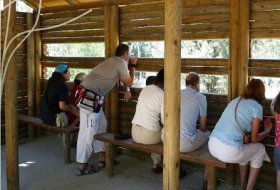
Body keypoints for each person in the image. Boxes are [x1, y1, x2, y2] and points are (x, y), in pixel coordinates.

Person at [75, 44, 138, 176]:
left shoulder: (114, 61)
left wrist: (127, 90)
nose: (131, 56)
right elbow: (129, 81)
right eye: (130, 54)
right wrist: (133, 66)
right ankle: (82, 165)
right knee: (87, 132)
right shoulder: (121, 62)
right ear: (126, 55)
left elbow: (123, 82)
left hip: (93, 99)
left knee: (101, 125)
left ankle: (103, 158)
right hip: (89, 98)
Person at [208, 79, 272, 190]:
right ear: (262, 91)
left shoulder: (236, 100)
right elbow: (254, 138)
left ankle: (243, 185)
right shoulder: (257, 107)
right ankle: (248, 188)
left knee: (245, 148)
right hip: (227, 151)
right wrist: (267, 131)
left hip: (212, 145)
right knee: (260, 149)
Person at [131, 69, 164, 173]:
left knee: (157, 129)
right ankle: (157, 164)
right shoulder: (162, 94)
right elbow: (165, 121)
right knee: (166, 133)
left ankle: (156, 164)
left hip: (135, 133)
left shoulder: (145, 89)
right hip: (149, 137)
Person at [179, 72, 210, 152]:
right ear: (197, 84)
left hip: (166, 140)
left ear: (186, 83)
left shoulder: (176, 93)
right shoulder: (201, 97)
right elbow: (203, 127)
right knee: (208, 134)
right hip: (184, 145)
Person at [271, 92, 280, 190]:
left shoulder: (277, 115)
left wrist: (278, 94)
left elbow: (272, 105)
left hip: (278, 149)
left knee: (279, 175)